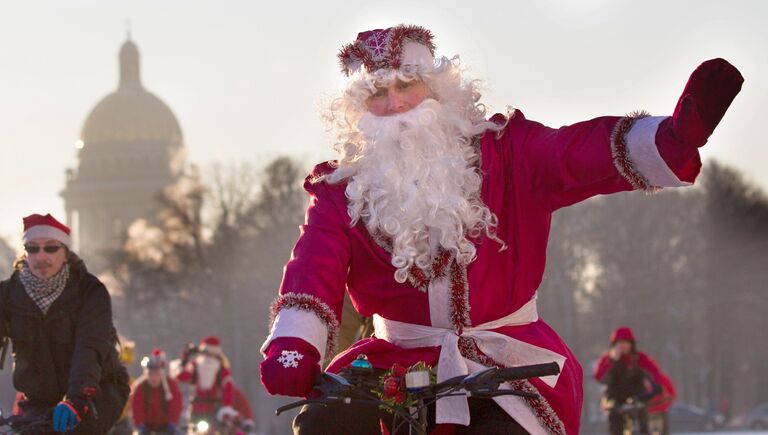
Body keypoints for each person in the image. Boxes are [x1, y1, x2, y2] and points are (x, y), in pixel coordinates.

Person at [258, 24, 743, 435]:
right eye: (379, 95)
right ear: (361, 109)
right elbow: (312, 265)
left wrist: (671, 138)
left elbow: (578, 154)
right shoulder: (342, 188)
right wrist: (295, 344)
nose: (396, 105)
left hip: (505, 359)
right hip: (393, 363)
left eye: (407, 86)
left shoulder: (508, 153)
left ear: (438, 89)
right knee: (323, 423)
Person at [0, 213, 130, 433]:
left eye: (51, 248)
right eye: (33, 248)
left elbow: (88, 351)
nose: (41, 256)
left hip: (95, 393)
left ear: (66, 253)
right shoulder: (7, 294)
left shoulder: (89, 292)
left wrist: (76, 400)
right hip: (39, 399)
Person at [594, 327, 676, 435]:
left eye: (625, 342)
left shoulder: (639, 358)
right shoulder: (608, 360)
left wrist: (657, 387)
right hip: (615, 400)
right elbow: (599, 377)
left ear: (631, 344)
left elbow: (655, 374)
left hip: (638, 398)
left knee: (643, 425)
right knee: (615, 426)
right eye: (619, 343)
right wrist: (613, 360)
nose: (622, 346)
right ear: (614, 345)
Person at [176, 336, 240, 427]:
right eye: (206, 354)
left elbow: (228, 388)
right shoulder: (195, 367)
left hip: (215, 411)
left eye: (212, 354)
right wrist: (184, 360)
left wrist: (227, 406)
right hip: (196, 409)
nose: (209, 358)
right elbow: (181, 377)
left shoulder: (222, 371)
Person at [130, 348, 183, 434]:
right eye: (151, 374)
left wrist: (173, 422)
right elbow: (137, 407)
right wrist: (140, 424)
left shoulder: (170, 386)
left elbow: (176, 405)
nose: (153, 377)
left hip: (166, 427)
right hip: (146, 427)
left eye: (157, 374)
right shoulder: (141, 387)